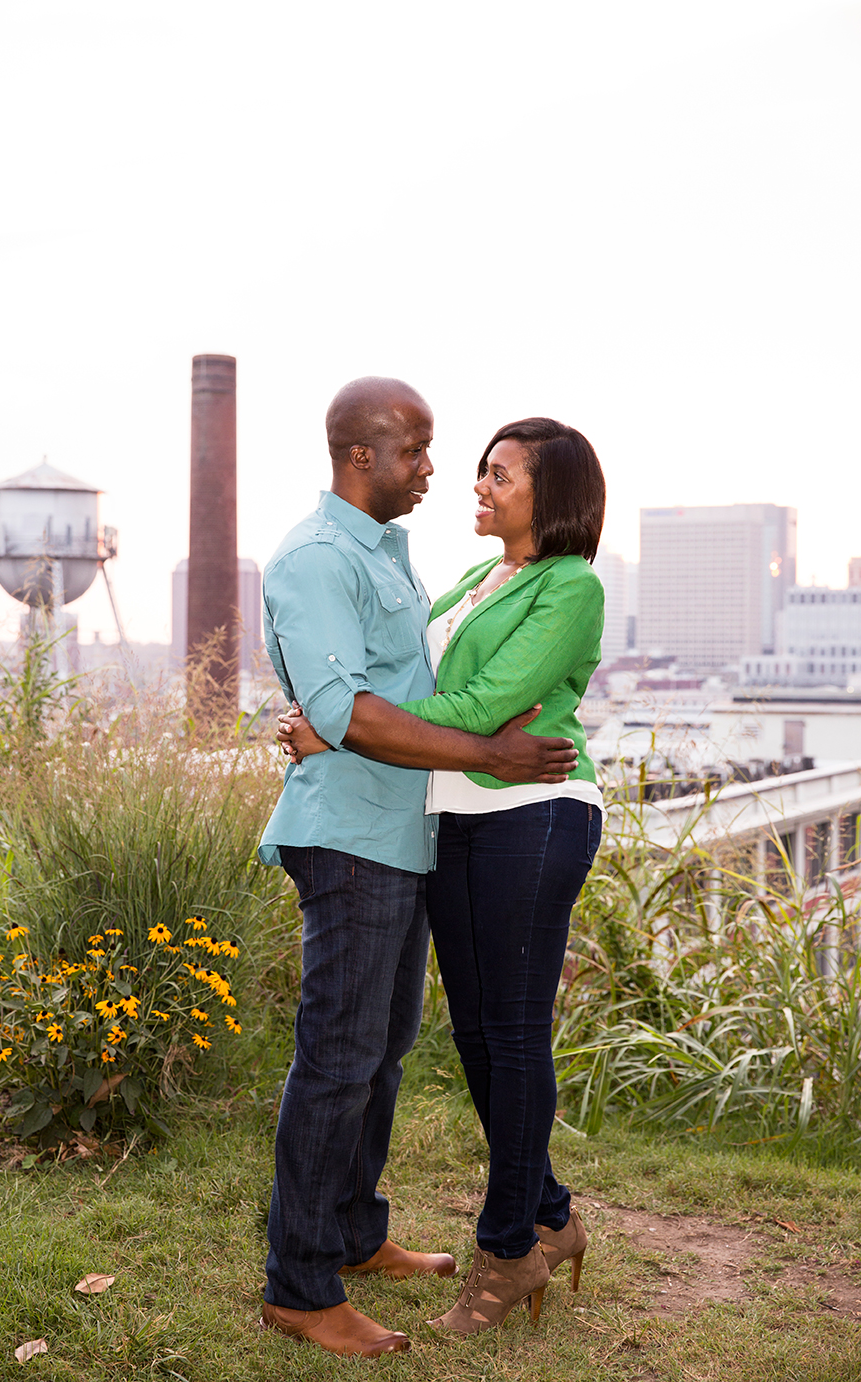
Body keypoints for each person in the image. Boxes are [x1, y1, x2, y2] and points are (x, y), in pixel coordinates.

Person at [257, 378, 580, 1358]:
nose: (435, 470)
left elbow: (399, 692)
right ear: (363, 455)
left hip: (400, 835)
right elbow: (352, 709)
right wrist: (488, 754)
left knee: (382, 1045)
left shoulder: (387, 556)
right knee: (337, 1058)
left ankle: (354, 1232)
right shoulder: (316, 559)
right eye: (419, 451)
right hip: (348, 835)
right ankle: (300, 1285)